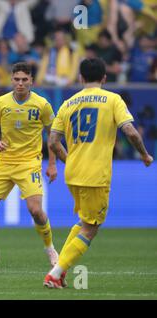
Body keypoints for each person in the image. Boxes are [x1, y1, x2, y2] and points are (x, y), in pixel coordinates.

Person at [44, 58, 153, 289]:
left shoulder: (68, 103)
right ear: (104, 78)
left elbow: (53, 141)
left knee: (84, 221)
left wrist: (70, 159)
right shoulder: (113, 100)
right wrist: (144, 154)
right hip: (96, 175)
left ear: (81, 78)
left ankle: (59, 270)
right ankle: (55, 273)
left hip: (72, 173)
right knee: (91, 228)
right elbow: (131, 133)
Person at [0, 62, 59, 267]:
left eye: (25, 79)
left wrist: (52, 164)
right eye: (17, 79)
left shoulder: (42, 104)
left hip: (29, 163)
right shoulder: (1, 102)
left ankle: (50, 248)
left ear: (32, 80)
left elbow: (53, 135)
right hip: (4, 161)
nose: (21, 83)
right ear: (11, 80)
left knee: (35, 211)